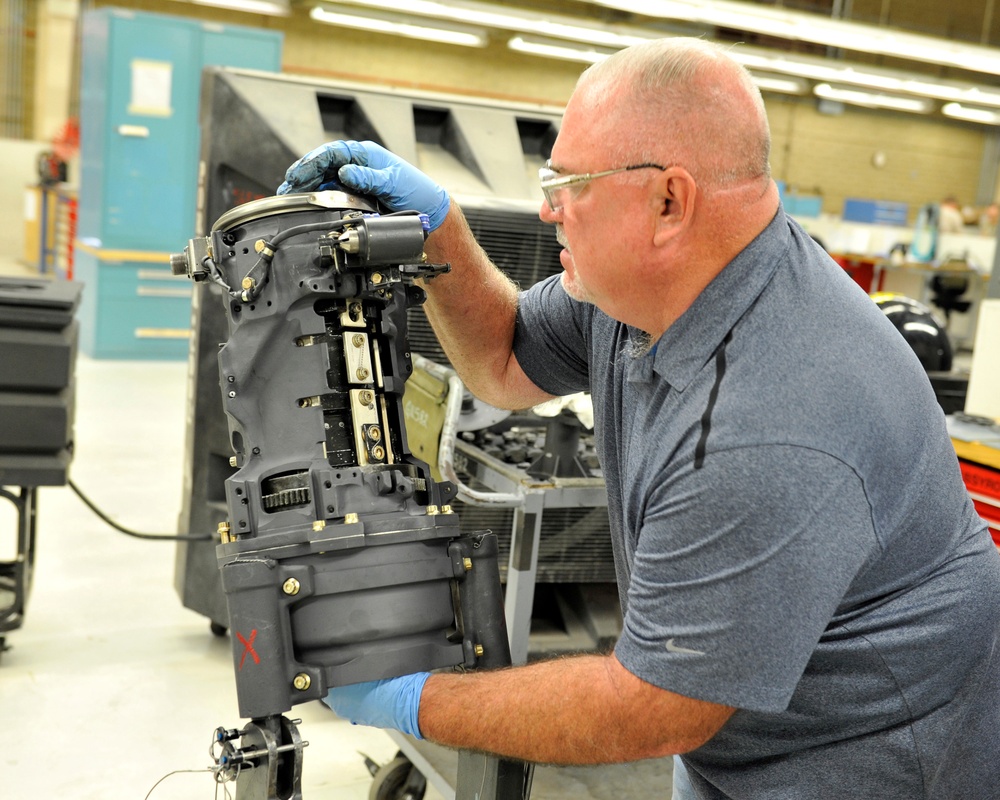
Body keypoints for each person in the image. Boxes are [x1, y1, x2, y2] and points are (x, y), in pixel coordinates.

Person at [276, 38, 1000, 799]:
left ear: (668, 202)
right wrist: (440, 230)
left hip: (863, 757)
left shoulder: (769, 419)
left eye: (570, 183)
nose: (548, 206)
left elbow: (652, 708)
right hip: (745, 726)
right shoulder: (648, 292)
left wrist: (414, 698)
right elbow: (504, 359)